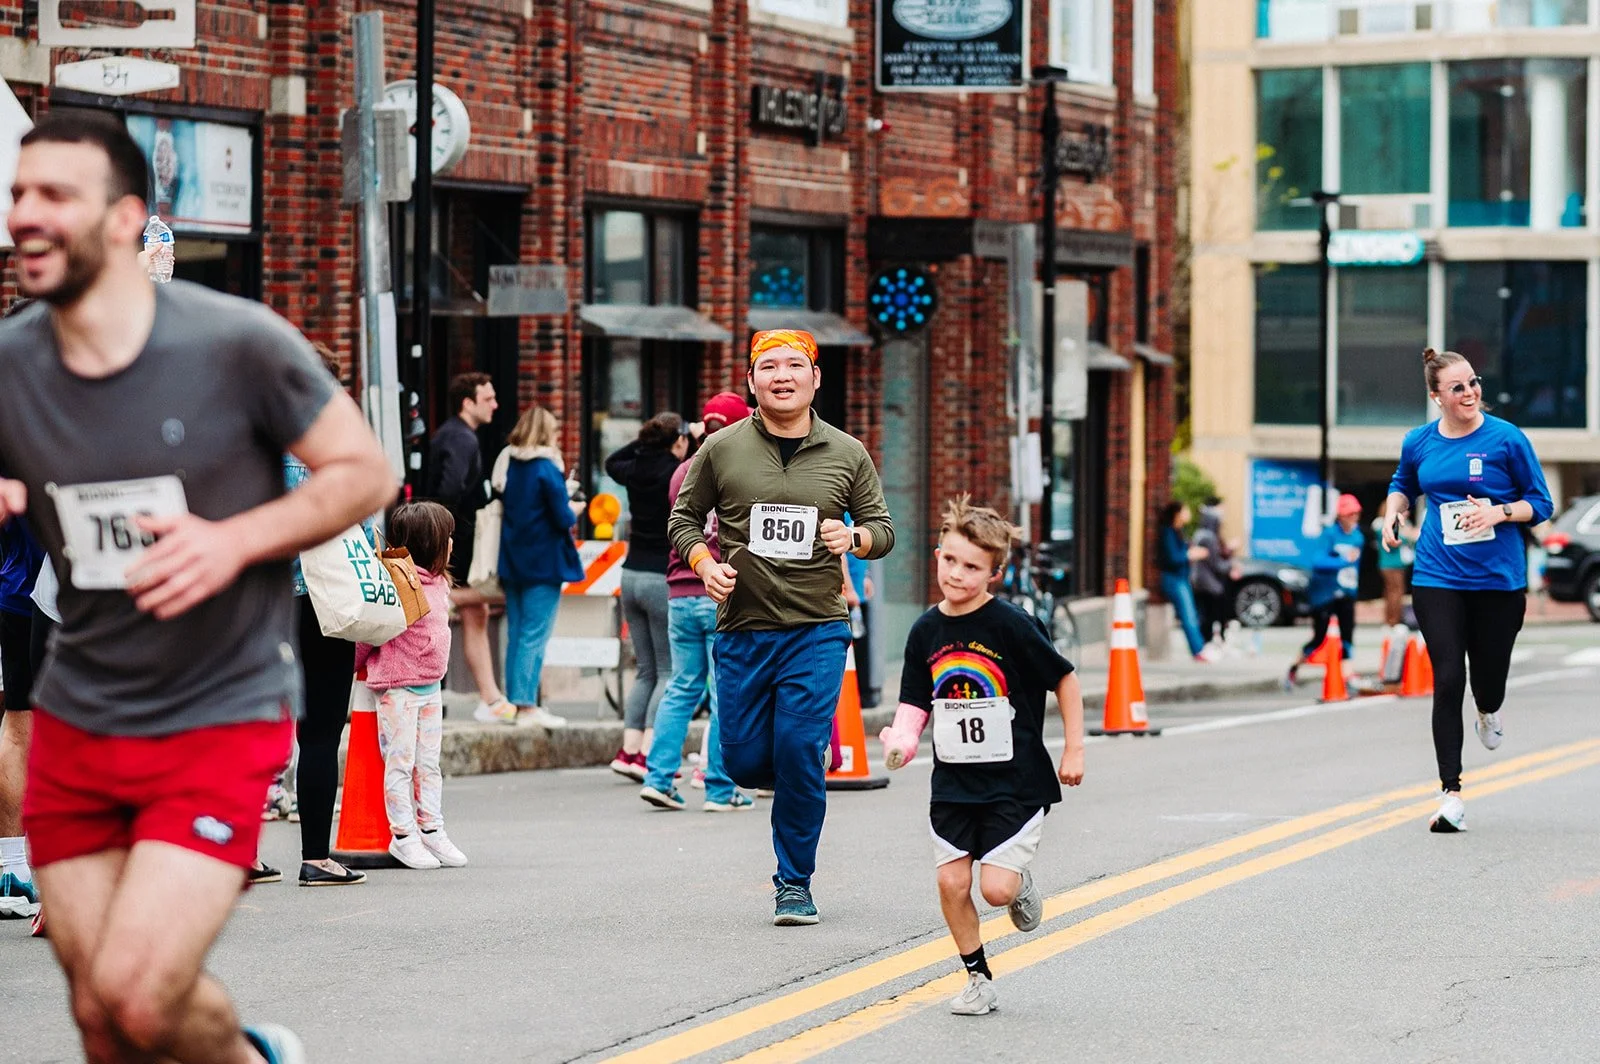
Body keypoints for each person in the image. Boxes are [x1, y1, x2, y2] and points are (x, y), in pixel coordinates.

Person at [0, 112, 395, 1063]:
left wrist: (231, 542)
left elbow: (363, 472)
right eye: (18, 195)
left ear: (124, 217)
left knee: (140, 996)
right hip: (79, 712)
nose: (26, 216)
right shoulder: (13, 362)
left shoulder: (236, 343)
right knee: (98, 1014)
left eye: (56, 195)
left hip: (217, 708)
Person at [669, 329, 894, 926]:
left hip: (816, 627)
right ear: (751, 381)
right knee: (743, 762)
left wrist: (854, 536)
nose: (782, 376)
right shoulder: (721, 449)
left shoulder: (848, 452)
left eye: (795, 365)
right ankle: (803, 763)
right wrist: (705, 565)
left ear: (815, 378)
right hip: (743, 628)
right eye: (768, 367)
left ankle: (794, 882)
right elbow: (683, 520)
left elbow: (882, 529)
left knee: (795, 750)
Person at [880, 495, 1085, 1016]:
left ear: (995, 573)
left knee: (995, 890)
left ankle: (1017, 880)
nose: (956, 573)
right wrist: (902, 740)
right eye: (950, 560)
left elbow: (1064, 679)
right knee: (951, 880)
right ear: (937, 555)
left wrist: (1074, 749)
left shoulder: (1011, 625)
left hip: (1015, 781)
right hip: (953, 782)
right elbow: (914, 700)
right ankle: (978, 978)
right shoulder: (925, 631)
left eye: (972, 567)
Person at [1382, 347, 1553, 833]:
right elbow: (1403, 483)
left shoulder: (1506, 438)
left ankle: (1488, 709)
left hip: (1498, 579)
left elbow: (1541, 502)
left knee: (1488, 680)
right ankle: (1450, 794)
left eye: (1473, 382)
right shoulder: (1419, 441)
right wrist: (1392, 512)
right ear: (1437, 396)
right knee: (1448, 676)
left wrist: (1500, 512)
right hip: (1438, 576)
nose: (1470, 392)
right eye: (1457, 387)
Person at [640, 393, 754, 812]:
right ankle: (720, 789)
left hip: (680, 590)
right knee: (726, 693)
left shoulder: (682, 471)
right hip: (722, 590)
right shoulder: (740, 467)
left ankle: (658, 778)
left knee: (682, 686)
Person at [281, 344, 369, 888]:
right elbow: (358, 522)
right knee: (318, 733)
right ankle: (316, 856)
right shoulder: (332, 447)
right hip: (323, 600)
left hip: (262, 603)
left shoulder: (253, 440)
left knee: (246, 728)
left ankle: (236, 855)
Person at [354, 503, 467, 871]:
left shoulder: (439, 583)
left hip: (430, 686)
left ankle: (432, 828)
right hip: (398, 689)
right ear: (430, 543)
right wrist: (353, 666)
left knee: (429, 763)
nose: (452, 543)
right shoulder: (397, 584)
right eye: (447, 537)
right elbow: (370, 632)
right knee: (401, 763)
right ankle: (403, 835)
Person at [605, 412, 689, 780]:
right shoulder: (676, 472)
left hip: (631, 574)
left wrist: (646, 440)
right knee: (668, 671)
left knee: (645, 671)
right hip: (660, 577)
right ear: (678, 441)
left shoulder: (635, 467)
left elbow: (611, 461)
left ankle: (628, 751)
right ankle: (649, 755)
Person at [425, 371, 510, 724]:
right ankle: (490, 698)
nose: (495, 405)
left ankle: (491, 698)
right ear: (467, 403)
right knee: (482, 600)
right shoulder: (462, 438)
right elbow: (449, 490)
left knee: (479, 613)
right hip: (456, 539)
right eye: (487, 399)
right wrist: (452, 530)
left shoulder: (454, 434)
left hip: (450, 536)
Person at [493, 406, 581, 729]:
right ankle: (527, 705)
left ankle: (514, 702)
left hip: (512, 559)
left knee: (516, 633)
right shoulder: (546, 467)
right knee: (534, 635)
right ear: (546, 433)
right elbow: (562, 516)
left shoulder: (510, 463)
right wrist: (575, 508)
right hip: (544, 562)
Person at [1285, 494, 1365, 688]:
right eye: (1350, 514)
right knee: (1319, 638)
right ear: (1341, 516)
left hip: (1346, 592)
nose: (1354, 517)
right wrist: (1343, 561)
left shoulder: (1358, 537)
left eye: (1356, 513)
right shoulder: (1329, 534)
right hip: (1324, 593)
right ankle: (1294, 667)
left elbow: (1355, 567)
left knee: (1347, 635)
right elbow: (1318, 561)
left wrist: (1353, 587)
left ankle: (1348, 676)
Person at [1155, 501, 1213, 661]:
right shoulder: (1168, 532)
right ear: (1177, 514)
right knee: (1188, 615)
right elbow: (1172, 558)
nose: (1188, 513)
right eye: (1185, 510)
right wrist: (1190, 555)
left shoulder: (1178, 531)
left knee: (1191, 614)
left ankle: (1199, 648)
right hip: (1174, 579)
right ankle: (1198, 650)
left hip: (1181, 578)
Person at [1189, 497, 1236, 651]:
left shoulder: (1199, 534)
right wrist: (1232, 564)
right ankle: (1208, 643)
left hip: (1199, 581)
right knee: (1212, 616)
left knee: (1203, 615)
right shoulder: (1209, 538)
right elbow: (1217, 565)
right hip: (1209, 583)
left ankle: (1206, 643)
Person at [1373, 510, 1418, 627]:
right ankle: (1393, 621)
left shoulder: (1404, 523)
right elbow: (1394, 540)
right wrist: (1408, 535)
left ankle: (1391, 620)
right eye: (1403, 511)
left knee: (1393, 591)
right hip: (1390, 564)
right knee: (1395, 592)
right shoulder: (1381, 524)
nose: (1407, 514)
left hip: (1398, 564)